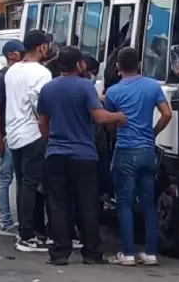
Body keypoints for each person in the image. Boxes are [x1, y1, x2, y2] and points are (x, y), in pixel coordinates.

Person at [37, 46, 126, 265]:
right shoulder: (86, 87)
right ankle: (92, 253)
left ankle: (59, 252)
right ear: (80, 64)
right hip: (84, 154)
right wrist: (118, 116)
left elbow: (42, 123)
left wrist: (52, 141)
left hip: (56, 153)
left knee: (58, 204)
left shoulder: (48, 88)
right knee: (87, 203)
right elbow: (98, 116)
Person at [104, 47, 173, 266]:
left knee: (124, 203)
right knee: (148, 203)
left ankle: (127, 253)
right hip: (147, 150)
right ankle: (151, 253)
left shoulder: (114, 92)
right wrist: (152, 133)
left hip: (126, 149)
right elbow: (167, 114)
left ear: (117, 68)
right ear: (140, 64)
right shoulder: (153, 86)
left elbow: (111, 124)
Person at [5, 30, 54, 253]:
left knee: (23, 184)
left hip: (14, 133)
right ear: (42, 47)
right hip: (33, 133)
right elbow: (40, 104)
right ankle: (27, 236)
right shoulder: (42, 73)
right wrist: (47, 131)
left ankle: (27, 230)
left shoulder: (11, 71)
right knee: (32, 185)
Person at [0, 39, 26, 237]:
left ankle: (18, 219)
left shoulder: (16, 76)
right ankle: (6, 221)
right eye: (21, 52)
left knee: (20, 179)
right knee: (5, 177)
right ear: (11, 55)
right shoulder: (1, 78)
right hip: (6, 134)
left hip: (17, 133)